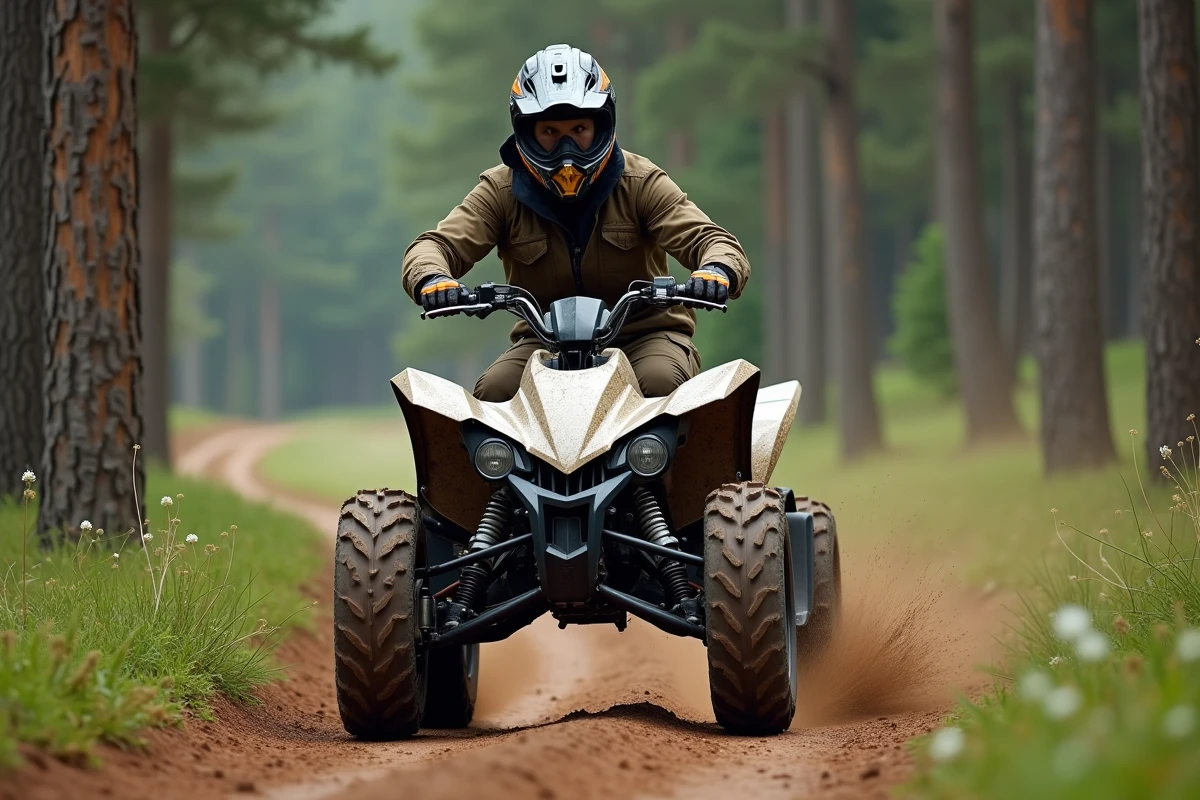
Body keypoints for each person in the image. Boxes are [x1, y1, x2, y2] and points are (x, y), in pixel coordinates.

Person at [402, 44, 750, 401]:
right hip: (543, 343)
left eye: (579, 129)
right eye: (550, 132)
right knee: (495, 393)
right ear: (525, 132)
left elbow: (710, 239)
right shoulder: (501, 190)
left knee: (660, 382)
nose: (566, 148)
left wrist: (717, 270)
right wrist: (433, 276)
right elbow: (435, 245)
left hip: (645, 337)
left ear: (602, 126)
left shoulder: (640, 181)